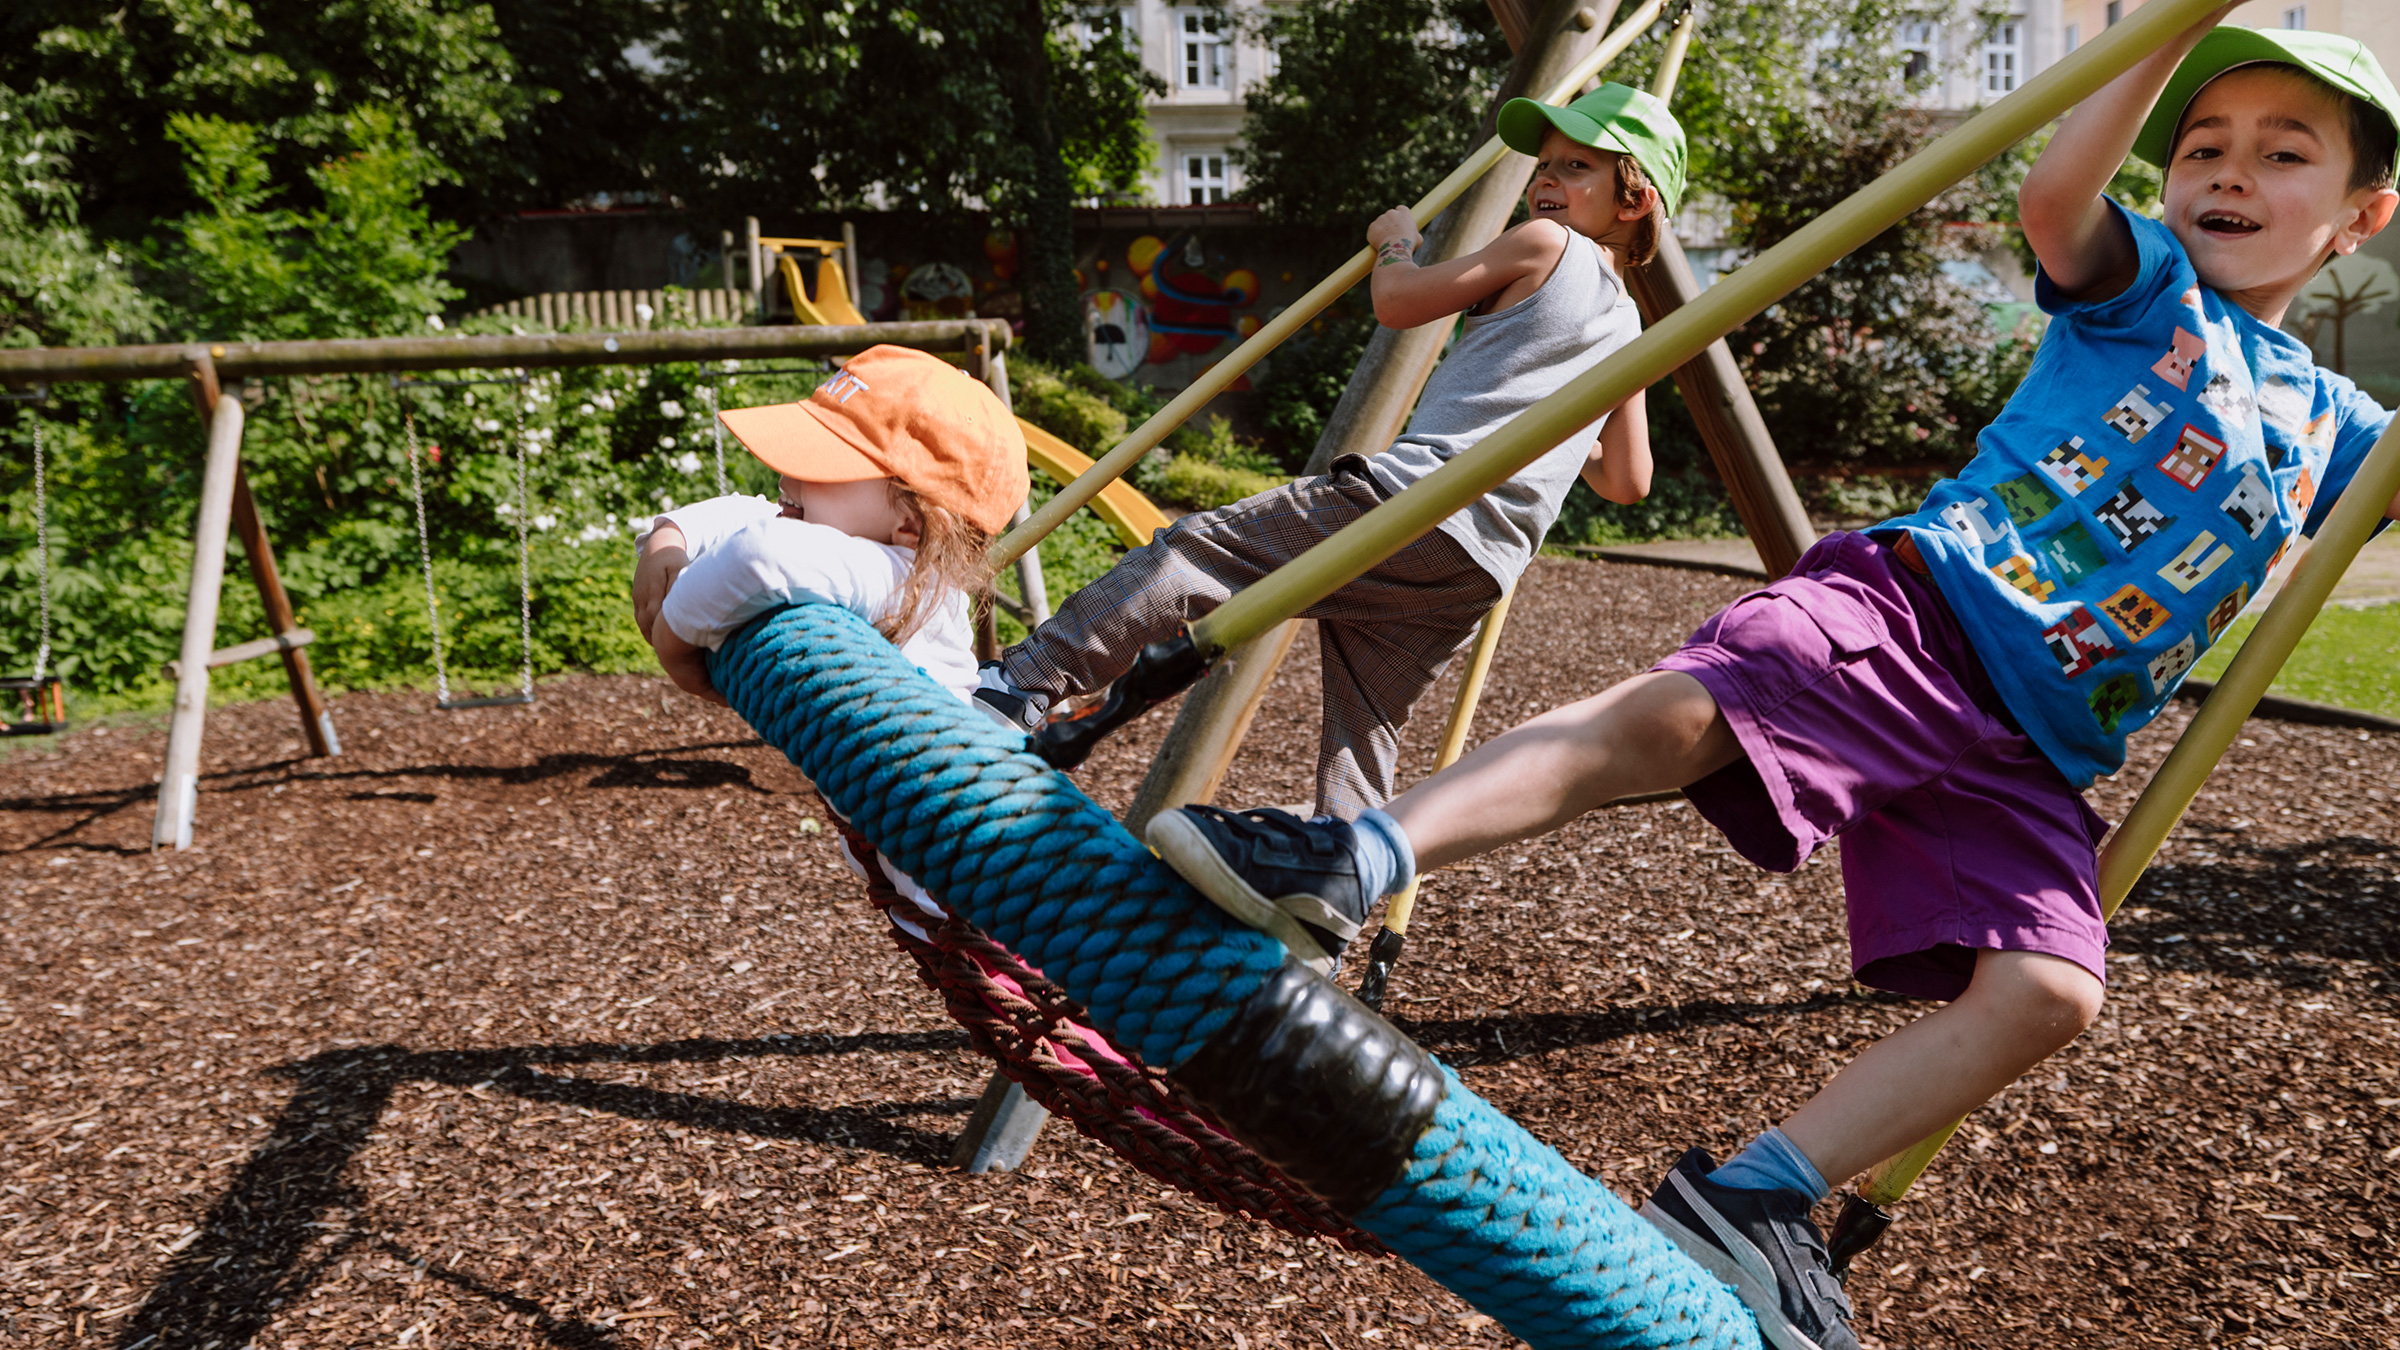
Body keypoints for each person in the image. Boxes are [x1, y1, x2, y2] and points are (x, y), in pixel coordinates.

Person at [1148, 17, 2400, 1349]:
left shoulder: (2342, 427)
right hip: (1931, 611)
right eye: (2205, 147)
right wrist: (2174, 32)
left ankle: (1752, 1194)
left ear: (2360, 216)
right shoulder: (2147, 286)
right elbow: (2051, 199)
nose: (2231, 173)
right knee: (1690, 715)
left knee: (2050, 989)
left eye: (2283, 155)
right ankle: (1351, 854)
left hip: (2039, 745)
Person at [974, 84, 1685, 822]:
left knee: (1196, 552)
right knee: (1364, 726)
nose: (1544, 181)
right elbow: (1628, 480)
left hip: (1412, 503)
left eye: (1574, 168)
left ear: (1632, 199)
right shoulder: (1630, 329)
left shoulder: (1546, 243)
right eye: (1543, 166)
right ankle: (1328, 902)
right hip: (1477, 567)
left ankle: (1021, 684)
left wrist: (1397, 242)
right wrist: (1563, 433)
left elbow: (1399, 302)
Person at [630, 345, 1028, 939]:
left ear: (911, 522)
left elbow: (763, 554)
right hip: (924, 878)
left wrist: (675, 644)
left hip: (981, 878)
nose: (786, 477)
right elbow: (756, 514)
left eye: (818, 464)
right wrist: (670, 535)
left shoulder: (903, 578)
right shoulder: (878, 551)